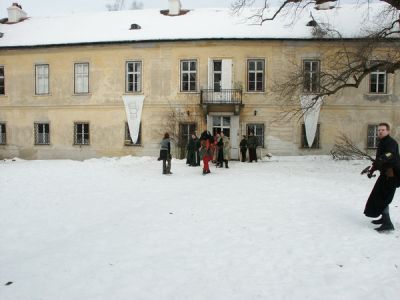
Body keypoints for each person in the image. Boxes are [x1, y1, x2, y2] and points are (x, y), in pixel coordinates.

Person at [364, 123, 400, 232]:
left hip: (391, 175)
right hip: (384, 175)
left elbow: (390, 154)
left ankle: (387, 223)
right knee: (378, 196)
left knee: (383, 198)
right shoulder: (382, 142)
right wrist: (372, 170)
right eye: (379, 130)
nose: (380, 132)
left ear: (388, 131)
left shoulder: (391, 142)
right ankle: (383, 218)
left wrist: (382, 158)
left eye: (383, 130)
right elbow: (378, 161)